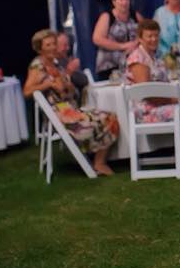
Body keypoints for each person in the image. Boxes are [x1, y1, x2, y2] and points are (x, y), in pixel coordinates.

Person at [24, 29, 119, 176]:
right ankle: (99, 162)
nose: (53, 47)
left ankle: (99, 161)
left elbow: (68, 88)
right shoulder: (37, 65)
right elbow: (27, 91)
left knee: (110, 116)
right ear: (40, 48)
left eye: (54, 44)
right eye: (48, 45)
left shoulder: (56, 63)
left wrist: (67, 81)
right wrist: (48, 85)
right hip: (60, 115)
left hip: (71, 109)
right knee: (103, 118)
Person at [126, 20, 180, 174]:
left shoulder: (153, 56)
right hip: (147, 111)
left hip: (157, 105)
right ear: (140, 38)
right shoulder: (138, 58)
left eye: (156, 35)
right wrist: (179, 100)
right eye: (149, 36)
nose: (153, 39)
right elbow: (148, 94)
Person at [92, 0, 144, 80]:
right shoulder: (107, 16)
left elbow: (146, 33)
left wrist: (135, 44)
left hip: (132, 64)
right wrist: (122, 46)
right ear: (114, 2)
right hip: (110, 66)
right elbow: (97, 39)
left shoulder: (135, 15)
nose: (124, 2)